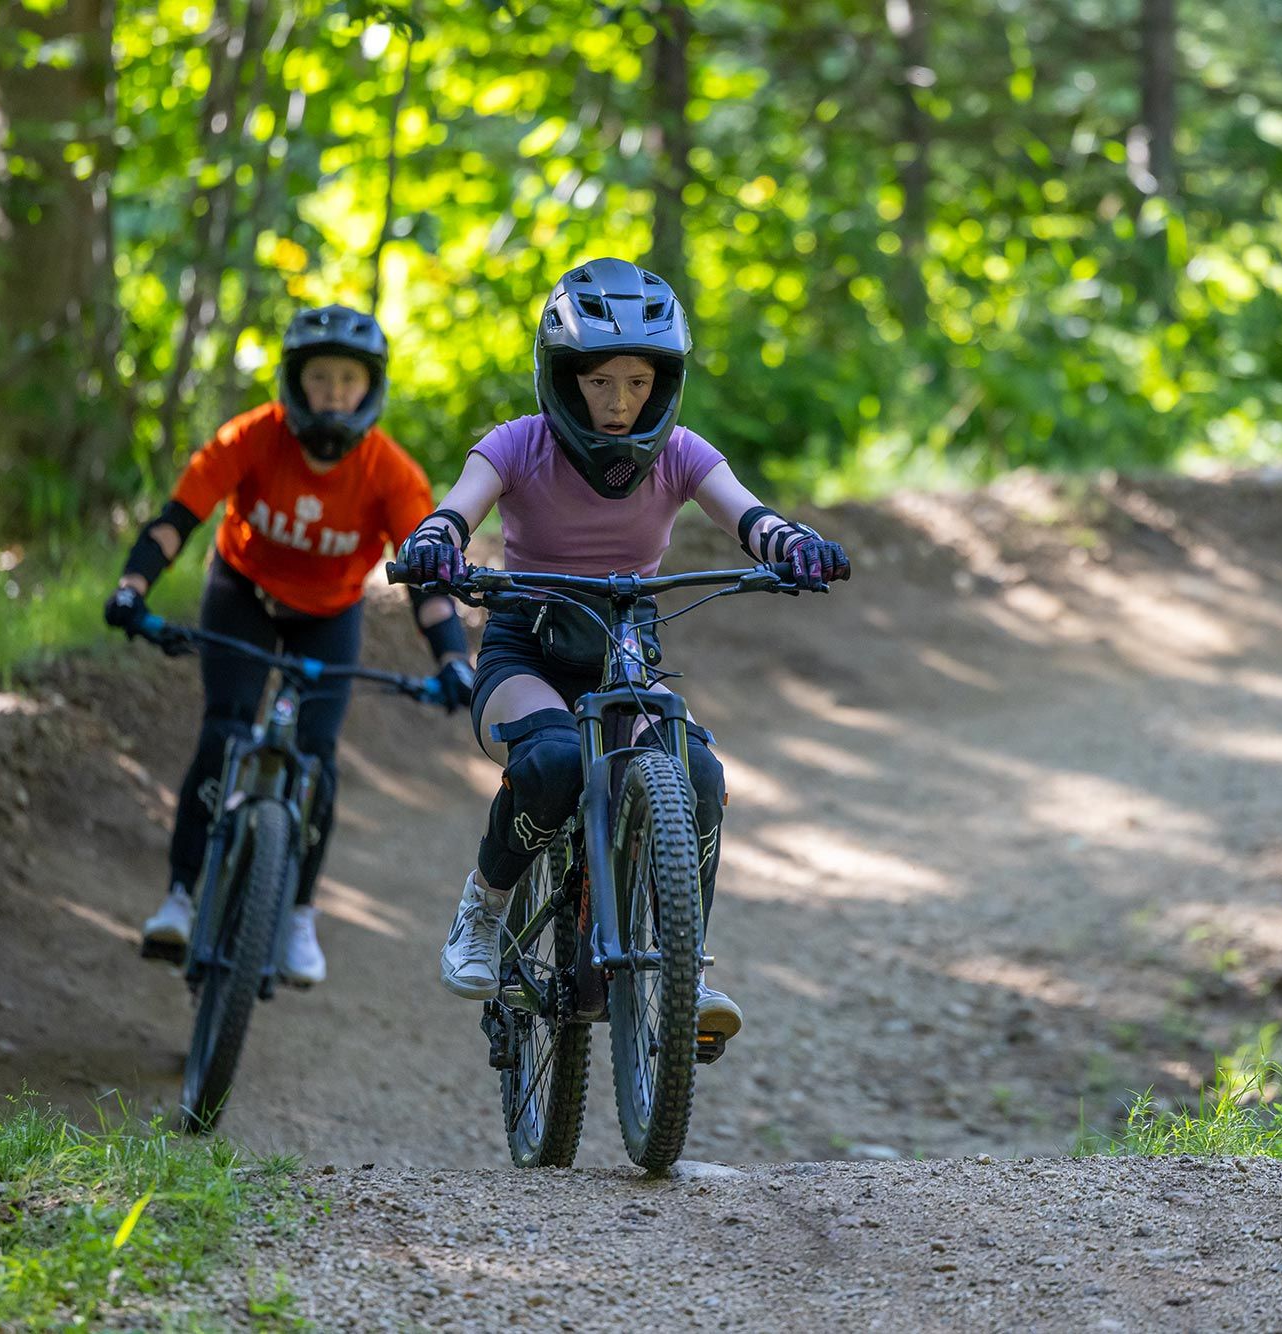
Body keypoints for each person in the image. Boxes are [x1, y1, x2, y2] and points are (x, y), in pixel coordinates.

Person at [393, 257, 850, 1052]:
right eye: (600, 382)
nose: (618, 403)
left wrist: (793, 546)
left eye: (638, 382)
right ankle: (483, 908)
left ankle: (682, 967)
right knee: (552, 765)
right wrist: (437, 539)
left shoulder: (680, 452)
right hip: (524, 649)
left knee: (698, 776)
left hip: (626, 650)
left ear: (663, 382)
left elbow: (750, 515)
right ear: (564, 378)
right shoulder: (518, 445)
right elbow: (456, 509)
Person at [104, 304, 474, 986]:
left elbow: (426, 582)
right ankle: (181, 898)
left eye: (349, 379)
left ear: (371, 388)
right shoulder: (250, 437)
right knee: (223, 731)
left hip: (329, 615)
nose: (335, 392)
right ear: (295, 382)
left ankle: (298, 911)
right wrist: (133, 589)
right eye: (321, 377)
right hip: (241, 594)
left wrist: (453, 659)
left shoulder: (391, 472)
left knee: (318, 758)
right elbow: (175, 520)